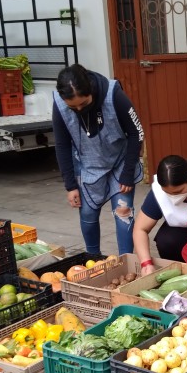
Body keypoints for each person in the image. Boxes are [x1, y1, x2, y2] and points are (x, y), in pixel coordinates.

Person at [53, 63, 144, 255]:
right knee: (87, 213)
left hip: (120, 163)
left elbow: (137, 133)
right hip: (88, 165)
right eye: (73, 107)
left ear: (91, 91)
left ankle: (125, 261)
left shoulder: (114, 94)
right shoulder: (60, 105)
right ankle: (92, 258)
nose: (79, 109)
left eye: (84, 104)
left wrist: (128, 173)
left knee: (123, 211)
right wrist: (70, 185)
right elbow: (62, 145)